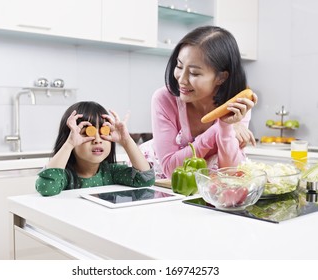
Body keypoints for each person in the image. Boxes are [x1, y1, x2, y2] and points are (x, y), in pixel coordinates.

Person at [147, 26, 258, 179]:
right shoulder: (164, 99)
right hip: (161, 182)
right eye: (179, 66)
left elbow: (231, 174)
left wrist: (226, 127)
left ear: (221, 77)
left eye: (194, 73)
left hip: (206, 189)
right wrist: (219, 127)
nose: (181, 79)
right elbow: (170, 169)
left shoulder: (237, 104)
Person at [36, 101, 155, 196]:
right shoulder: (66, 177)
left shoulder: (111, 172)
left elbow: (145, 179)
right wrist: (69, 144)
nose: (97, 139)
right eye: (87, 133)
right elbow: (46, 187)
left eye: (104, 132)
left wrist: (126, 141)